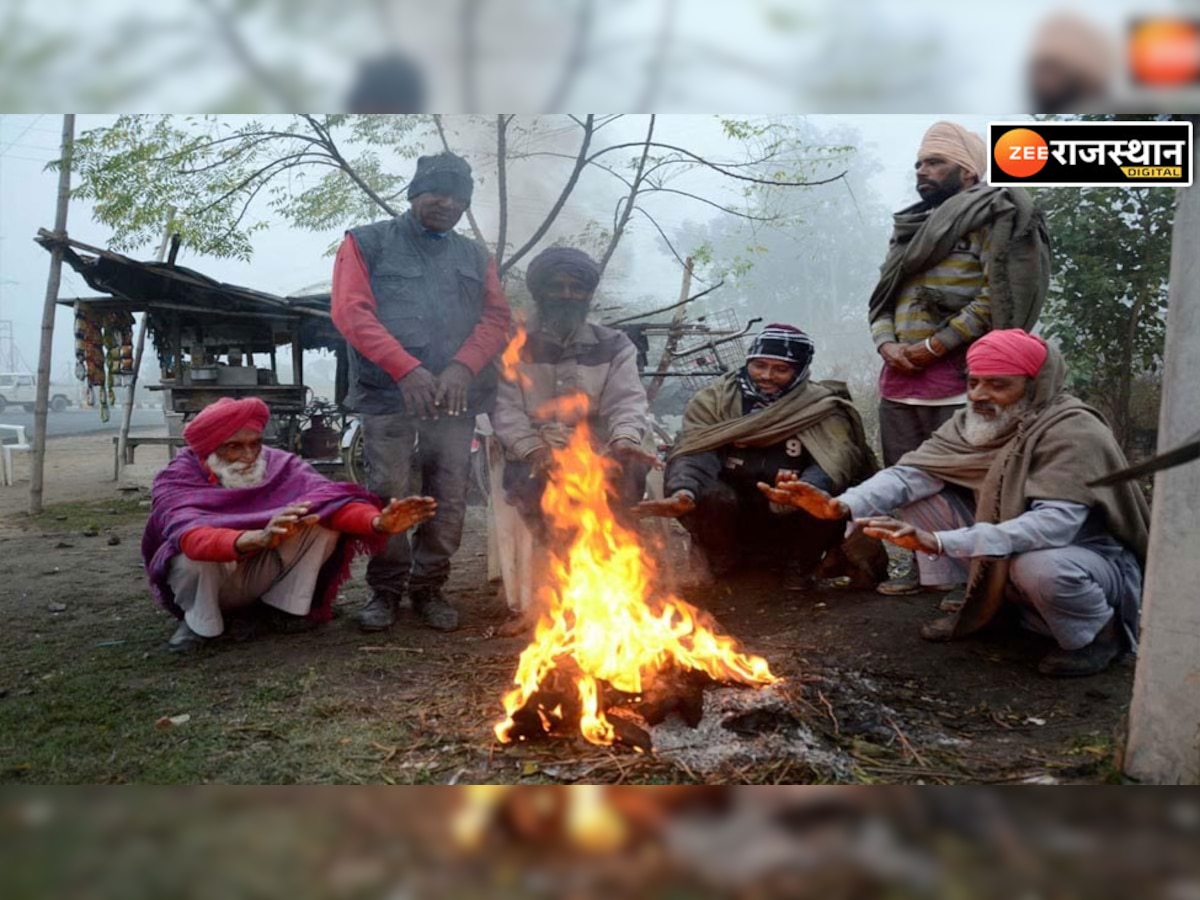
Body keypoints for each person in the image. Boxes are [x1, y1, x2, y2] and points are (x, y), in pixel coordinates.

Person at [760, 330, 1150, 677]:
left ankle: (1100, 635)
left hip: (1079, 557)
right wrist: (840, 506)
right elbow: (910, 474)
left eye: (998, 385)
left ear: (1034, 387)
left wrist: (940, 542)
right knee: (919, 494)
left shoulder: (1073, 431)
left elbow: (1053, 527)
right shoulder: (973, 421)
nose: (980, 395)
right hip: (1001, 545)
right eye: (974, 382)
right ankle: (989, 608)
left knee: (1043, 567)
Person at [331, 151, 512, 633]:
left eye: (458, 197)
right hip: (389, 396)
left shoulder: (474, 256)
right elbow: (352, 313)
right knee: (390, 493)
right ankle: (385, 591)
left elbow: (496, 318)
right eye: (437, 192)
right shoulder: (366, 243)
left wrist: (462, 366)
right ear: (414, 194)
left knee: (448, 495)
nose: (447, 203)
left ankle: (430, 587)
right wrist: (405, 369)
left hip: (455, 397)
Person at [868, 120, 1051, 595]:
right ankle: (920, 568)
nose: (922, 171)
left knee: (972, 478)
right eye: (919, 164)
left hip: (962, 378)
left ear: (968, 173)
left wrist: (934, 346)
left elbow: (996, 297)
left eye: (935, 162)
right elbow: (883, 296)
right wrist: (887, 345)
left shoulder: (993, 218)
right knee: (907, 474)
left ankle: (973, 578)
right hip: (900, 380)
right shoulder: (909, 227)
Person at [142, 397, 438, 652]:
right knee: (190, 556)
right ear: (207, 449)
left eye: (255, 444)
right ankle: (199, 624)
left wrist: (376, 522)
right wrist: (256, 538)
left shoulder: (279, 464)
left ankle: (285, 611)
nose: (248, 456)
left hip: (261, 572)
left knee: (320, 521)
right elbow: (190, 536)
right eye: (233, 447)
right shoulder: (175, 478)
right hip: (213, 578)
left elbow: (331, 501)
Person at [636, 324, 881, 592]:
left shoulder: (821, 406)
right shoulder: (715, 400)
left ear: (799, 370)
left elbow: (837, 461)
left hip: (791, 514)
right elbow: (695, 449)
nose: (766, 376)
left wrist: (802, 489)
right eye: (759, 365)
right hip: (733, 508)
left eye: (781, 369)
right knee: (710, 494)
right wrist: (684, 490)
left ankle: (800, 567)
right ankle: (721, 561)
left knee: (826, 499)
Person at [492, 246, 656, 531]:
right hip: (534, 450)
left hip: (599, 448)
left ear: (588, 294)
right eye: (556, 287)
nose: (567, 294)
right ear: (539, 292)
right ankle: (568, 567)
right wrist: (534, 451)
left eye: (577, 287)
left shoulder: (615, 344)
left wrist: (624, 440)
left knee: (629, 470)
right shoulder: (512, 345)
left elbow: (627, 402)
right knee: (533, 488)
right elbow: (505, 411)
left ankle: (616, 556)